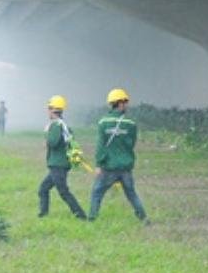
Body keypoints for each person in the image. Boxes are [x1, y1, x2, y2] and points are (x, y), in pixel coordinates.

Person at [89, 88, 149, 224]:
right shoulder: (131, 124)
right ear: (120, 103)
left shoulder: (103, 122)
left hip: (109, 167)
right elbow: (131, 144)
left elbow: (101, 145)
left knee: (97, 192)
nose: (127, 105)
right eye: (126, 102)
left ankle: (92, 218)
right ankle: (144, 218)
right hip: (126, 167)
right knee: (131, 194)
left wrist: (99, 164)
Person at [38, 95, 86, 220]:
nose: (47, 111)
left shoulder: (55, 125)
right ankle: (43, 215)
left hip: (57, 164)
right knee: (43, 189)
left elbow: (53, 142)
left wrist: (47, 136)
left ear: (53, 109)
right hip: (61, 164)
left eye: (49, 108)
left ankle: (81, 216)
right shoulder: (64, 125)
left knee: (63, 192)